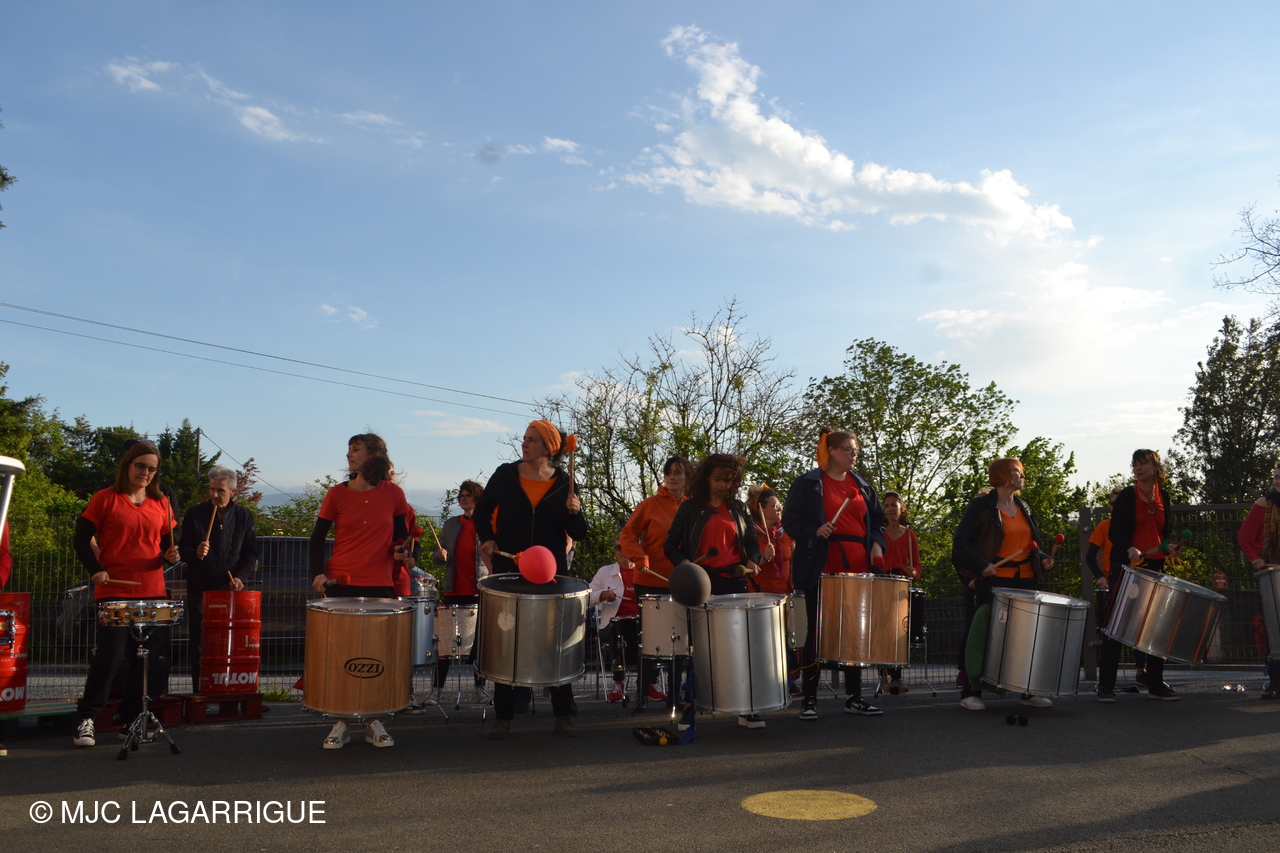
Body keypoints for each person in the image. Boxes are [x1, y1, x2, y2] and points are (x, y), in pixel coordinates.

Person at [473, 420, 588, 739]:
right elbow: (482, 512)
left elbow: (579, 533)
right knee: (507, 640)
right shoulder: (505, 474)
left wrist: (575, 512)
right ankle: (503, 717)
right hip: (509, 569)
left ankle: (562, 716)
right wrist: (488, 537)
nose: (524, 444)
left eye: (532, 440)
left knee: (555, 641)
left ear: (548, 448)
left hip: (551, 573)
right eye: (524, 438)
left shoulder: (565, 482)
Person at [71, 442, 181, 748]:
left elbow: (170, 540)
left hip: (152, 590)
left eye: (152, 469)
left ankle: (131, 720)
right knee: (110, 655)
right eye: (140, 466)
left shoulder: (161, 502)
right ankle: (86, 719)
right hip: (114, 589)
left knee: (143, 659)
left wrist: (171, 553)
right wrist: (95, 569)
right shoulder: (105, 498)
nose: (146, 472)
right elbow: (80, 539)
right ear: (127, 465)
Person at [309, 433, 414, 748]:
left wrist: (401, 552)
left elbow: (401, 537)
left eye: (356, 450)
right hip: (340, 585)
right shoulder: (336, 494)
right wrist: (316, 574)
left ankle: (374, 721)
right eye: (349, 449)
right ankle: (340, 722)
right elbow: (317, 539)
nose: (349, 455)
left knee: (376, 657)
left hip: (380, 584)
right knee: (340, 657)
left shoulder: (394, 493)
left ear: (374, 455)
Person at [783, 430, 887, 722]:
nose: (854, 455)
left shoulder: (862, 486)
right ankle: (810, 698)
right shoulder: (807, 484)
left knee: (854, 632)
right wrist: (814, 530)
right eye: (848, 449)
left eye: (856, 450)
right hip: (822, 563)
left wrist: (877, 544)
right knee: (817, 631)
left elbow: (877, 522)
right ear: (831, 450)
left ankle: (855, 697)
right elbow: (790, 521)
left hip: (858, 566)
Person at [665, 452, 764, 728]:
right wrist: (684, 563)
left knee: (740, 646)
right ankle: (690, 707)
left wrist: (752, 560)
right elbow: (670, 544)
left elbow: (752, 544)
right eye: (718, 479)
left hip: (734, 582)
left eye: (728, 480)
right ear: (706, 477)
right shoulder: (690, 507)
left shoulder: (739, 508)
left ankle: (745, 707)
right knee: (700, 648)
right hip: (701, 582)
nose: (723, 485)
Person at [952, 457, 1055, 711]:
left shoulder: (1023, 506)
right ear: (1004, 475)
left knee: (1025, 636)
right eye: (1019, 472)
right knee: (984, 634)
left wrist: (1042, 558)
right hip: (994, 580)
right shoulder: (981, 505)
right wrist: (981, 564)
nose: (1023, 477)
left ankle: (1028, 691)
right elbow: (961, 541)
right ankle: (971, 692)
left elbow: (1029, 545)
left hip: (1026, 579)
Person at [1096, 449, 1181, 702]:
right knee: (1116, 626)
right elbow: (1115, 533)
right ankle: (1106, 686)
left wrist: (1170, 546)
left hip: (1155, 567)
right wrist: (1129, 547)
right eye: (1135, 464)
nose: (1138, 468)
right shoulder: (1127, 496)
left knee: (1156, 627)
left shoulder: (1164, 496)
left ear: (1156, 467)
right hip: (1128, 567)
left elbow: (1165, 532)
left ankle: (1155, 683)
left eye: (1143, 463)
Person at [178, 466, 258, 692]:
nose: (214, 494)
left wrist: (241, 577)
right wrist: (195, 552)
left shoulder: (244, 516)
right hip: (200, 588)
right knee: (200, 642)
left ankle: (228, 692)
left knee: (231, 642)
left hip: (230, 588)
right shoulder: (195, 513)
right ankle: (200, 691)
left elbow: (251, 552)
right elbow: (181, 549)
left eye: (220, 490)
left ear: (233, 491)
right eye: (212, 489)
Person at [619, 456, 690, 705]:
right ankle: (643, 694)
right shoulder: (649, 504)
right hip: (649, 580)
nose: (672, 477)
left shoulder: (694, 507)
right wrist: (640, 558)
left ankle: (675, 694)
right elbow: (628, 533)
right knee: (649, 639)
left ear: (688, 477)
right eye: (669, 472)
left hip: (682, 581)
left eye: (678, 472)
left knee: (679, 640)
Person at [426, 480, 488, 704]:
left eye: (467, 495)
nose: (462, 498)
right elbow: (437, 557)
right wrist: (440, 556)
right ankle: (436, 691)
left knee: (479, 645)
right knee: (445, 644)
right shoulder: (451, 524)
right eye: (461, 495)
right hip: (454, 590)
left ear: (477, 498)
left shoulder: (486, 525)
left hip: (479, 591)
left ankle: (480, 690)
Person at [590, 541, 663, 704]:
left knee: (653, 631)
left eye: (626, 547)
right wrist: (602, 595)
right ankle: (619, 683)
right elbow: (587, 596)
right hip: (613, 625)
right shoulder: (605, 572)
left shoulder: (647, 571)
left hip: (644, 623)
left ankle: (651, 683)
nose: (622, 552)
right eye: (618, 548)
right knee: (618, 629)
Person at [1237, 459, 1280, 700]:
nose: (1278, 481)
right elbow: (1244, 536)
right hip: (1273, 572)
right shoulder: (1263, 504)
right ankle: (1275, 680)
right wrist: (1256, 559)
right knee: (1275, 628)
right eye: (1276, 477)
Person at [880, 491, 921, 695]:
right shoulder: (879, 533)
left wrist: (914, 573)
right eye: (887, 505)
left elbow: (917, 565)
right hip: (882, 584)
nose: (890, 509)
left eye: (894, 505)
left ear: (901, 508)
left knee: (899, 632)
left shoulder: (909, 535)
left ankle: (896, 677)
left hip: (900, 586)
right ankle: (883, 677)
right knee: (882, 631)